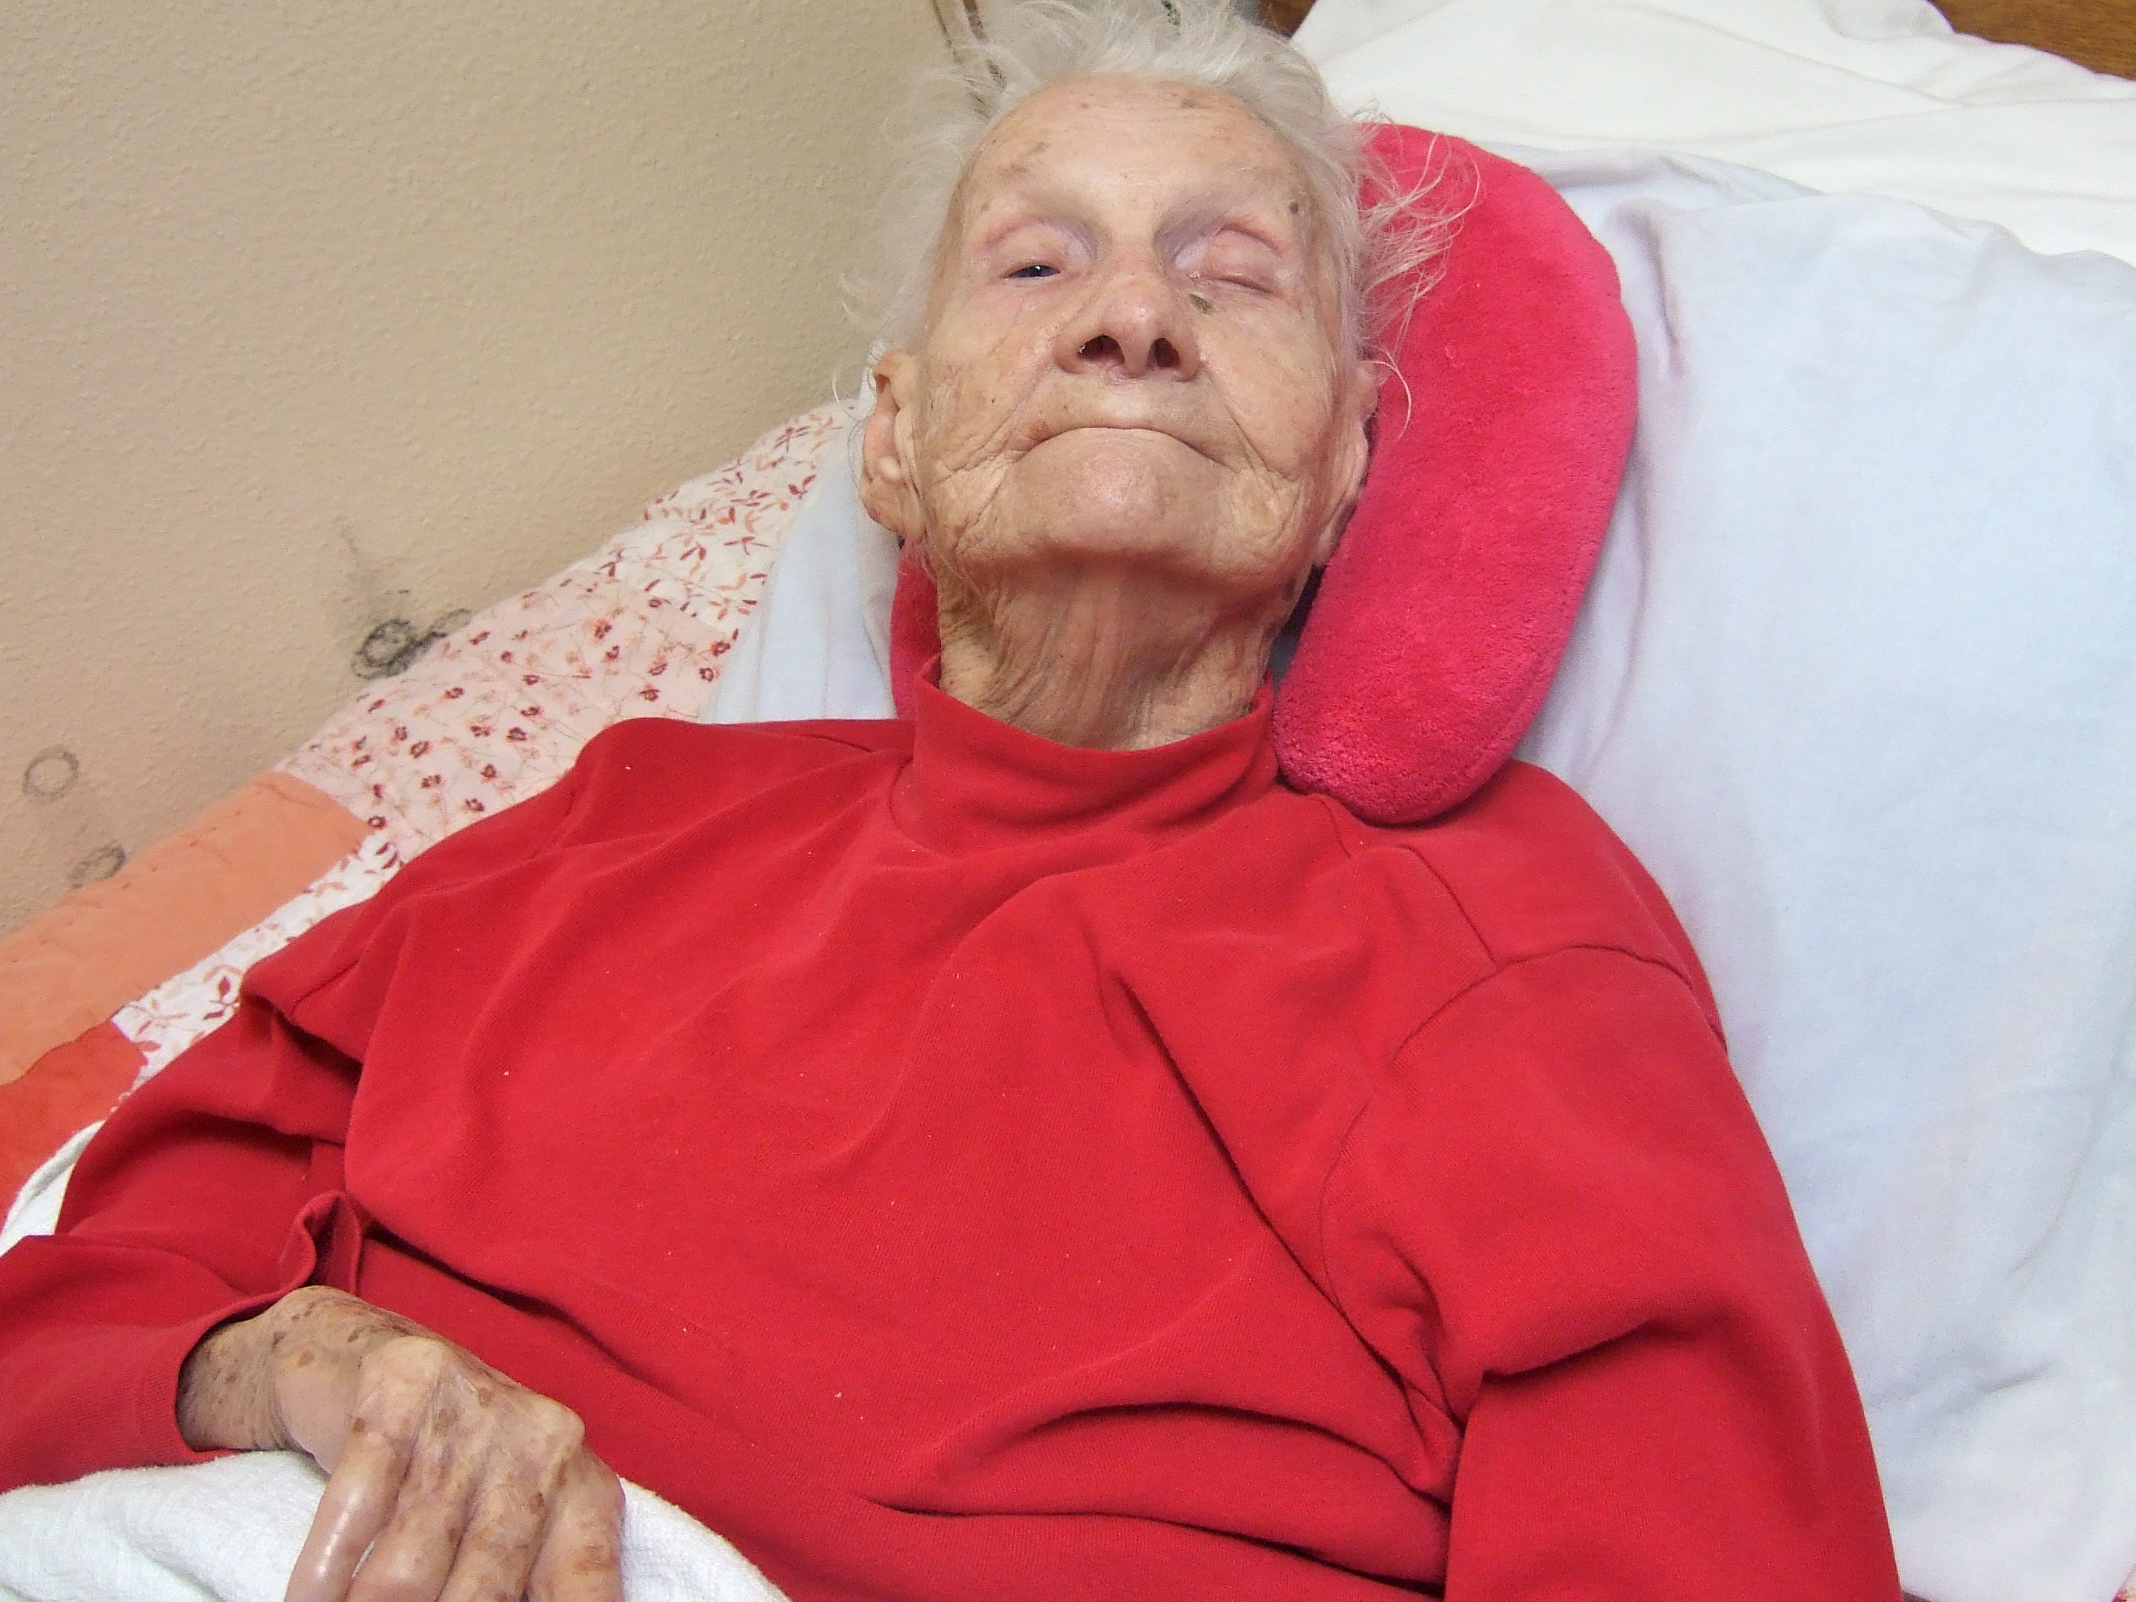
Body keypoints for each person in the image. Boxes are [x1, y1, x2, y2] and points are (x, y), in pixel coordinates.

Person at [0, 2, 1903, 1599]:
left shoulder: (1502, 945)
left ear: (1346, 464)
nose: (1133, 317)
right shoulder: (619, 818)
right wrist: (292, 1362)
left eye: (1233, 275)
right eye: (1037, 262)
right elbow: (67, 1320)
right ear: (895, 440)